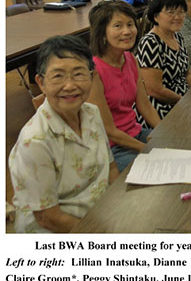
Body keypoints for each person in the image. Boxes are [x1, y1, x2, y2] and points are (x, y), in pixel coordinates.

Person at [9, 36, 118, 233]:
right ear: (41, 83)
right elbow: (48, 218)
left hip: (100, 214)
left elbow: (110, 169)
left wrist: (119, 209)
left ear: (92, 78)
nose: (69, 86)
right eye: (58, 76)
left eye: (78, 74)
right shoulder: (34, 141)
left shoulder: (92, 113)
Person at [88, 0, 162, 172]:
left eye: (130, 24)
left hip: (134, 133)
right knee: (154, 168)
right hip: (111, 147)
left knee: (177, 146)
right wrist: (146, 149)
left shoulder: (130, 58)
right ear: (102, 33)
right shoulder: (94, 71)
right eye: (118, 26)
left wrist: (162, 134)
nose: (127, 31)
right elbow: (109, 130)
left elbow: (145, 106)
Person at [137, 0, 191, 119]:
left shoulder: (177, 36)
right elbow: (154, 90)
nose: (177, 17)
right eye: (171, 12)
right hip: (161, 108)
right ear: (156, 16)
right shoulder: (150, 43)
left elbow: (187, 73)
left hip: (184, 100)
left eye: (181, 12)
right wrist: (185, 101)